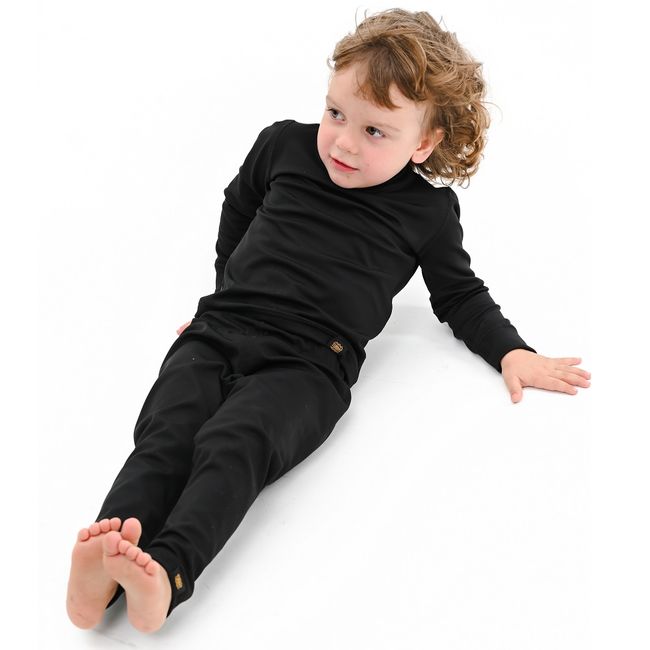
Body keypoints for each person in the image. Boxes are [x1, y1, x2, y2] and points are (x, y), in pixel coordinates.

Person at [66, 8, 591, 634]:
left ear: (422, 143)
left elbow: (460, 296)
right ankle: (105, 562)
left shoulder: (425, 213)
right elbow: (238, 209)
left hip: (309, 365)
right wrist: (224, 292)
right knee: (168, 432)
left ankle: (169, 573)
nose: (343, 141)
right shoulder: (283, 145)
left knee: (235, 442)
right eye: (336, 113)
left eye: (375, 131)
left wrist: (511, 350)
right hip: (220, 329)